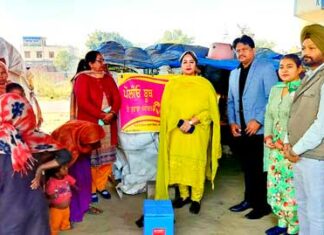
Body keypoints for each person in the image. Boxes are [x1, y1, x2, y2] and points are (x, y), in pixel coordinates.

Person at [155, 51, 221, 214]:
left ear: (196, 64)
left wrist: (192, 121)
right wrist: (180, 123)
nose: (188, 64)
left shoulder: (205, 85)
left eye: (191, 61)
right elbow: (166, 110)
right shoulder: (172, 84)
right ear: (181, 65)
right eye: (185, 62)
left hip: (198, 131)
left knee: (197, 163)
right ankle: (184, 196)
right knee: (180, 166)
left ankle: (196, 199)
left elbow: (211, 111)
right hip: (177, 131)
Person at [0, 93, 71, 235]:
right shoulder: (37, 138)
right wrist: (40, 168)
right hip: (36, 208)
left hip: (7, 214)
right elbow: (65, 155)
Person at [227, 35, 278, 219]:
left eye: (244, 49)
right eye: (238, 50)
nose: (241, 53)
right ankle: (249, 199)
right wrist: (232, 122)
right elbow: (231, 101)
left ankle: (262, 205)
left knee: (259, 169)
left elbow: (272, 97)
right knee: (247, 167)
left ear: (253, 50)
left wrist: (258, 120)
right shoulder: (234, 74)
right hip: (241, 130)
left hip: (259, 130)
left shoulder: (265, 68)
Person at [284, 24, 324, 235]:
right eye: (304, 48)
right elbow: (294, 114)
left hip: (315, 157)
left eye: (312, 48)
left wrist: (295, 149)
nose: (306, 53)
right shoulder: (309, 76)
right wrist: (287, 142)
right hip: (300, 155)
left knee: (317, 213)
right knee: (303, 205)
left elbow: (321, 125)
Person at [72, 51, 121, 203]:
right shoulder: (82, 78)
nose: (103, 63)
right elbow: (83, 102)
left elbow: (117, 97)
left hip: (109, 124)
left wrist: (112, 113)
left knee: (106, 159)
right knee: (92, 159)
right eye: (99, 60)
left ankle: (101, 186)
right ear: (90, 63)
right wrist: (101, 115)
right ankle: (91, 189)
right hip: (90, 124)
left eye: (103, 60)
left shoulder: (108, 78)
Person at [264, 54, 302, 235]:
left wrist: (285, 143)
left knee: (290, 188)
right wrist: (268, 136)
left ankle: (293, 226)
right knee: (275, 185)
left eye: (289, 66)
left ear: (299, 69)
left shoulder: (302, 90)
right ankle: (281, 222)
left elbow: (300, 120)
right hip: (274, 149)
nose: (284, 70)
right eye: (281, 67)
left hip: (291, 149)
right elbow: (269, 115)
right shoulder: (276, 89)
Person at [51, 120, 106, 222]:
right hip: (67, 157)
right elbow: (63, 164)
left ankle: (85, 206)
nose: (98, 146)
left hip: (80, 154)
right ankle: (72, 214)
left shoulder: (87, 130)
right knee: (72, 185)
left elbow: (92, 143)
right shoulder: (68, 144)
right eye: (92, 145)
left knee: (85, 180)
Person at [46, 164, 76, 235]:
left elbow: (72, 182)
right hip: (56, 209)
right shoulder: (52, 182)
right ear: (57, 173)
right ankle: (53, 232)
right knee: (55, 222)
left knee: (66, 218)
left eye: (66, 167)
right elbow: (49, 194)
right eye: (64, 168)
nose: (67, 168)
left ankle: (65, 226)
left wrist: (76, 187)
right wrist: (51, 196)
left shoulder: (67, 177)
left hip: (66, 207)